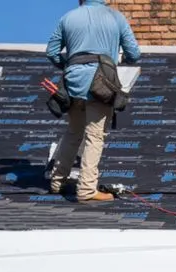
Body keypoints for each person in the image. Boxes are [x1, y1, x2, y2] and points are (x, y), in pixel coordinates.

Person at [46, 0, 141, 203]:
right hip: (101, 83)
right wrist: (116, 58)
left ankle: (56, 182)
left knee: (73, 133)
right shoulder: (115, 17)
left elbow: (52, 52)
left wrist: (70, 65)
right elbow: (134, 54)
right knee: (94, 135)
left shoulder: (68, 17)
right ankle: (87, 190)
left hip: (73, 82)